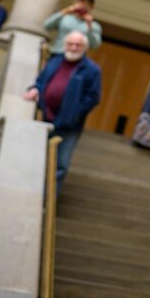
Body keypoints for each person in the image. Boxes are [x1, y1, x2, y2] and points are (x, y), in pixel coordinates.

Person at [24, 31, 101, 191]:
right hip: (43, 118)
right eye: (70, 44)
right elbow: (41, 81)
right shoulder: (55, 61)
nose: (73, 48)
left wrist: (75, 113)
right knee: (33, 157)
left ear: (85, 48)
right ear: (65, 45)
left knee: (60, 165)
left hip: (69, 126)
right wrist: (35, 89)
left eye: (78, 45)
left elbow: (93, 98)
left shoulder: (92, 70)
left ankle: (49, 199)